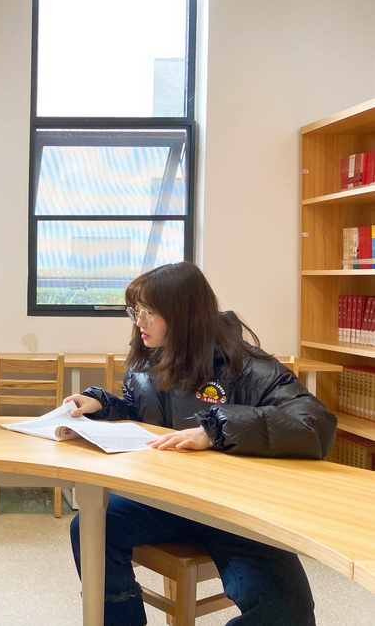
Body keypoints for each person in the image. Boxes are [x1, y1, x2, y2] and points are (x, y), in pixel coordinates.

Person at [66, 261, 336, 626]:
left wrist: (214, 430)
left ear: (184, 314)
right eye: (135, 311)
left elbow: (314, 424)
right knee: (90, 527)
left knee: (287, 610)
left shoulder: (247, 366)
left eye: (149, 312)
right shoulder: (146, 364)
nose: (139, 322)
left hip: (233, 507)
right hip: (164, 498)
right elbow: (146, 417)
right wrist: (103, 405)